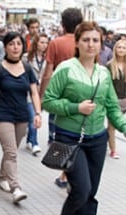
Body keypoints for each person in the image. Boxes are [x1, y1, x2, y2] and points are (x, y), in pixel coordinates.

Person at [42, 21, 126, 215]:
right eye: (86, 39)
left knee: (92, 190)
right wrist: (76, 108)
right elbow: (48, 101)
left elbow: (112, 107)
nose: (91, 44)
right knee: (81, 188)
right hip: (70, 139)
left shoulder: (104, 73)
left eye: (95, 40)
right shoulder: (66, 69)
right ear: (77, 43)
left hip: (97, 138)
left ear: (101, 44)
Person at [0, 31, 41, 204]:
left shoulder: (27, 68)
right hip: (2, 114)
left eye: (18, 43)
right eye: (11, 44)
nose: (15, 47)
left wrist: (38, 113)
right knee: (11, 152)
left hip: (22, 115)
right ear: (5, 47)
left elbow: (34, 93)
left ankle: (2, 178)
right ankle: (16, 188)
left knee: (11, 150)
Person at [40, 7, 83, 190]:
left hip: (60, 98)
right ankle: (68, 175)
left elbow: (48, 73)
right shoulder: (84, 43)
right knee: (78, 136)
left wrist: (42, 96)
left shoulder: (56, 43)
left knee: (63, 138)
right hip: (82, 97)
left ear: (62, 24)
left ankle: (66, 175)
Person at [106, 39, 126, 159]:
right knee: (112, 126)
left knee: (113, 125)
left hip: (123, 101)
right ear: (115, 49)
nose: (121, 50)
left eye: (123, 48)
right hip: (112, 100)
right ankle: (113, 150)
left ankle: (103, 140)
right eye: (119, 47)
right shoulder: (110, 65)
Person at [25, 32, 49, 156]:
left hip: (41, 92)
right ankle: (34, 143)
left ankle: (29, 139)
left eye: (46, 43)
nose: (44, 45)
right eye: (41, 42)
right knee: (33, 116)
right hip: (29, 92)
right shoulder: (27, 58)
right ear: (36, 43)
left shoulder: (48, 59)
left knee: (35, 116)